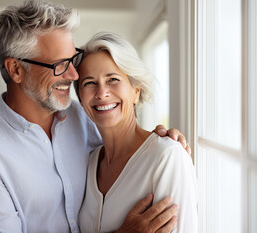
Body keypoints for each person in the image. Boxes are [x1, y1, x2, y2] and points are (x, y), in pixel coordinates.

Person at [0, 0, 190, 233]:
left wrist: (159, 141)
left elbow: (128, 152)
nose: (74, 75)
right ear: (16, 69)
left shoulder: (82, 118)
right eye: (59, 64)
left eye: (72, 60)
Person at [75, 32, 198, 233]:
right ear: (80, 98)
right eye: (89, 83)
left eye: (113, 79)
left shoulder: (167, 157)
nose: (101, 93)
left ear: (136, 91)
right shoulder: (88, 162)